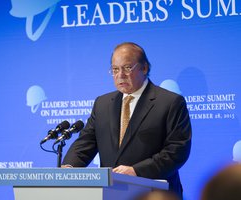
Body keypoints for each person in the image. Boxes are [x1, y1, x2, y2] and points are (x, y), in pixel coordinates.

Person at [62, 42, 192, 198]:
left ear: (144, 68)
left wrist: (136, 171)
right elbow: (86, 142)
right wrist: (69, 167)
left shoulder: (170, 102)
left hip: (155, 194)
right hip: (110, 193)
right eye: (115, 69)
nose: (120, 75)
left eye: (127, 68)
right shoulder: (102, 104)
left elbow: (177, 151)